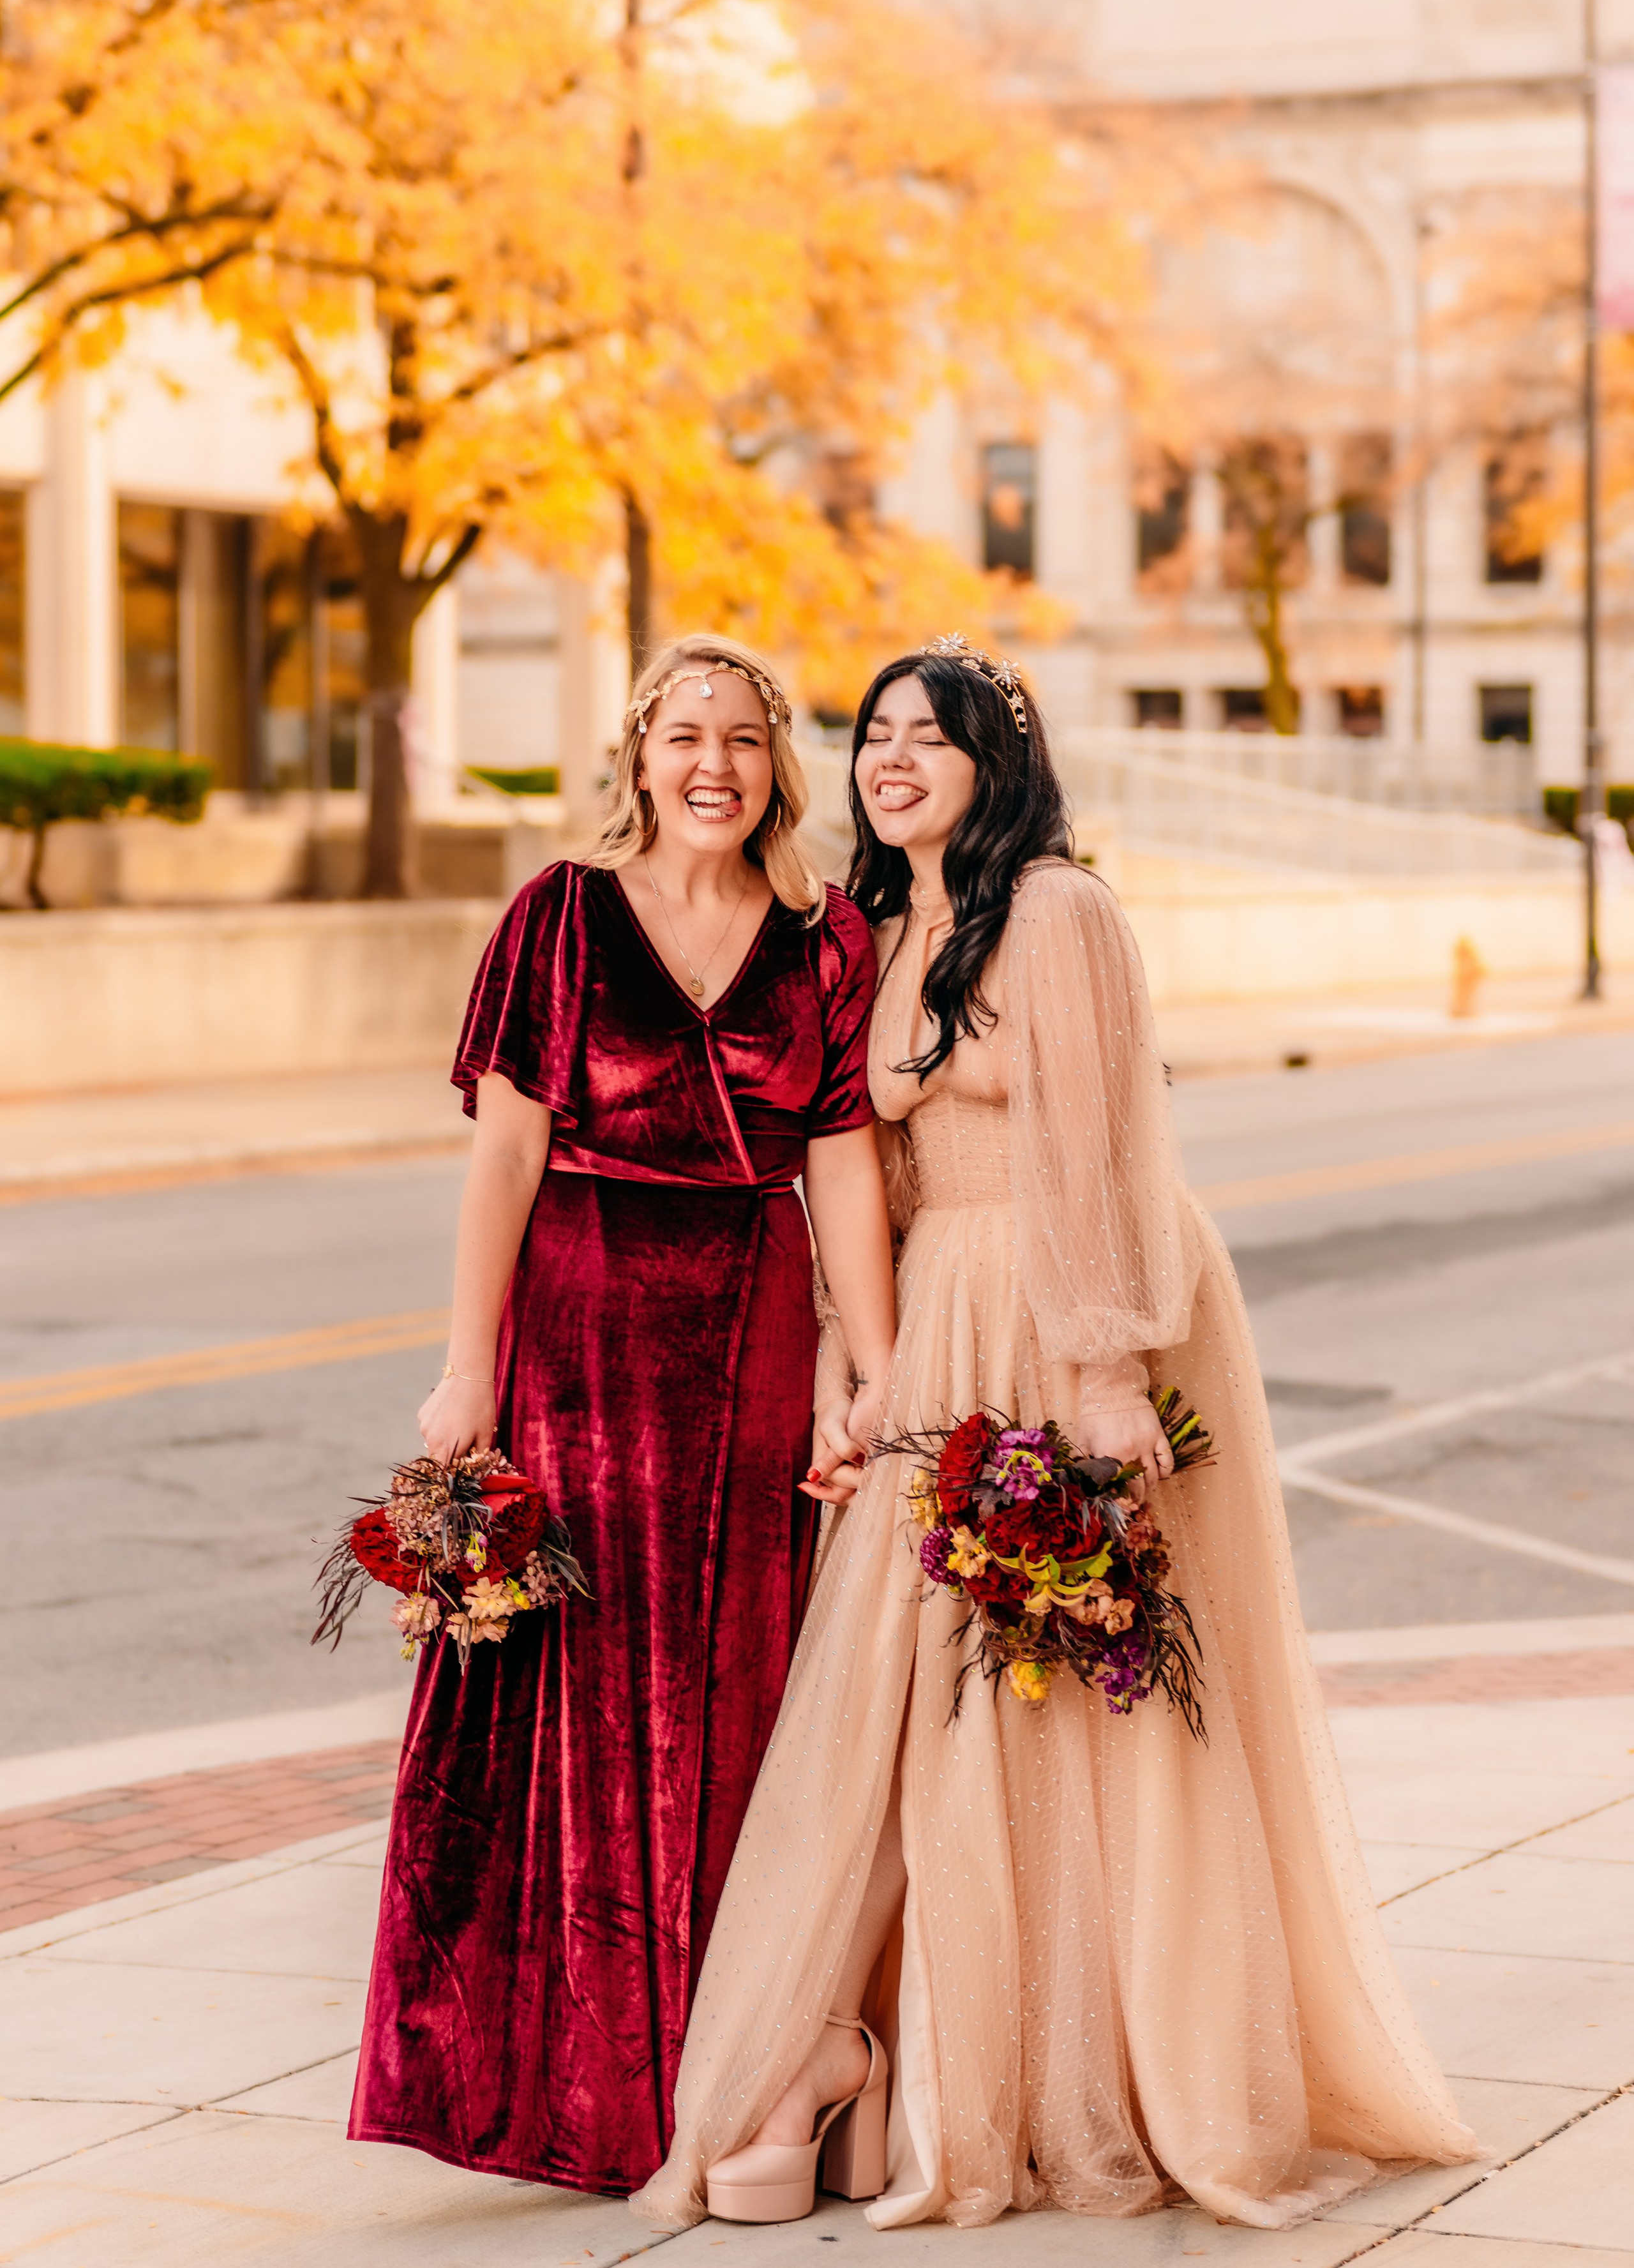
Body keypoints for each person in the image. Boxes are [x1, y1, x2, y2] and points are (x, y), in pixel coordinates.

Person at [633, 636, 1481, 2234]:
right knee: (903, 1688)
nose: (891, 760)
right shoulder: (878, 924)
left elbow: (1098, 1144)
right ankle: (861, 2053)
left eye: (928, 737)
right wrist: (851, 1368)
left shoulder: (1058, 912)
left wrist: (1101, 1382)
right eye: (873, 734)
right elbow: (860, 1183)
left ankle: (1077, 2065)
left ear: (991, 763)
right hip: (936, 1315)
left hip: (1064, 1301)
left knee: (1072, 1695)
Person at [350, 635, 896, 2200]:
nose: (710, 763)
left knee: (738, 1700)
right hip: (578, 1347)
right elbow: (503, 1163)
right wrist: (468, 1371)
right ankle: (589, 2085)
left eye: (740, 737)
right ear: (638, 755)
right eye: (682, 736)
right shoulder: (560, 917)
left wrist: (864, 1366)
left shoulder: (822, 937)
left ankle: (752, 2062)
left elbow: (842, 1161)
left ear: (773, 764)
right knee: (578, 1708)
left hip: (752, 1335)